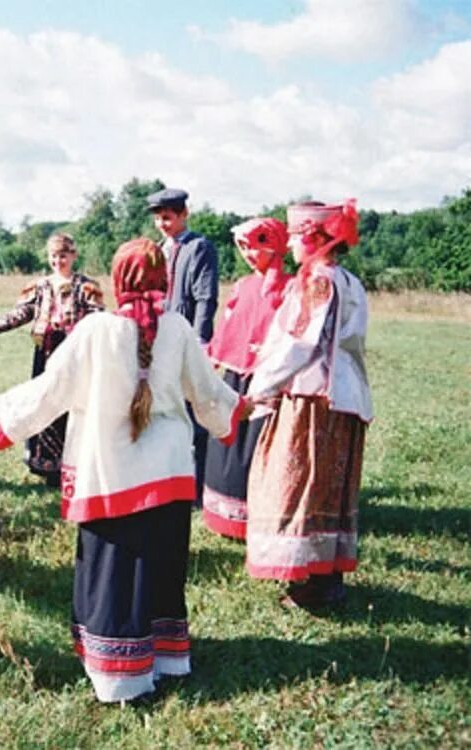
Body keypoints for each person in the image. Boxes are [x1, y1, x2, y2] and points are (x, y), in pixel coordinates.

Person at [0, 238, 249, 705]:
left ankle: (118, 674)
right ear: (166, 281)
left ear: (117, 282)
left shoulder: (96, 330)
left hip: (111, 472)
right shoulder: (177, 328)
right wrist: (243, 408)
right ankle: (163, 660)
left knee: (114, 573)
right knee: (161, 569)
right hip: (169, 472)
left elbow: (49, 392)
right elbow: (209, 394)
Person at [246, 200, 372, 609]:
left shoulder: (316, 280)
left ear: (316, 240)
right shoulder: (350, 281)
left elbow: (300, 344)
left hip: (313, 397)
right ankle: (326, 577)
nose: (293, 245)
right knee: (329, 490)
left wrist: (259, 384)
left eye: (298, 237)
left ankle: (310, 584)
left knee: (300, 485)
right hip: (346, 396)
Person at [0, 233, 103, 487]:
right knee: (44, 400)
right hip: (45, 351)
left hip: (75, 353)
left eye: (63, 255)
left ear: (73, 256)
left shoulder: (86, 286)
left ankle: (75, 462)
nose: (58, 261)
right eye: (53, 256)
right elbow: (22, 313)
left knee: (73, 403)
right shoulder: (39, 286)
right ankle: (45, 463)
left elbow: (98, 319)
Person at [202, 218, 292, 539]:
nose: (249, 255)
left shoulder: (289, 289)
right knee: (228, 440)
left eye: (256, 247)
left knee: (257, 446)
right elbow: (229, 327)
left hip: (267, 381)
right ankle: (223, 513)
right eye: (244, 249)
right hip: (235, 376)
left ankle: (256, 514)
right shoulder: (242, 286)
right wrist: (212, 357)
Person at [147, 188, 219, 505]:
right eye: (158, 218)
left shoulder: (199, 248)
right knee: (165, 408)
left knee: (194, 411)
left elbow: (206, 297)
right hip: (162, 340)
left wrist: (201, 341)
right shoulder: (158, 250)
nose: (163, 224)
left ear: (183, 214)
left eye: (168, 217)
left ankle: (198, 485)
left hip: (189, 339)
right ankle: (168, 479)